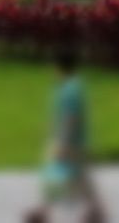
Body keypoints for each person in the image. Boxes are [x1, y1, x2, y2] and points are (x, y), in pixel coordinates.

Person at [28, 53, 104, 223]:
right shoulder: (71, 85)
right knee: (81, 177)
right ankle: (96, 211)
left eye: (53, 66)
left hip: (70, 143)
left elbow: (71, 118)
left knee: (54, 175)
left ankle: (42, 212)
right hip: (76, 143)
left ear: (59, 67)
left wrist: (62, 143)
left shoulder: (70, 89)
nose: (51, 70)